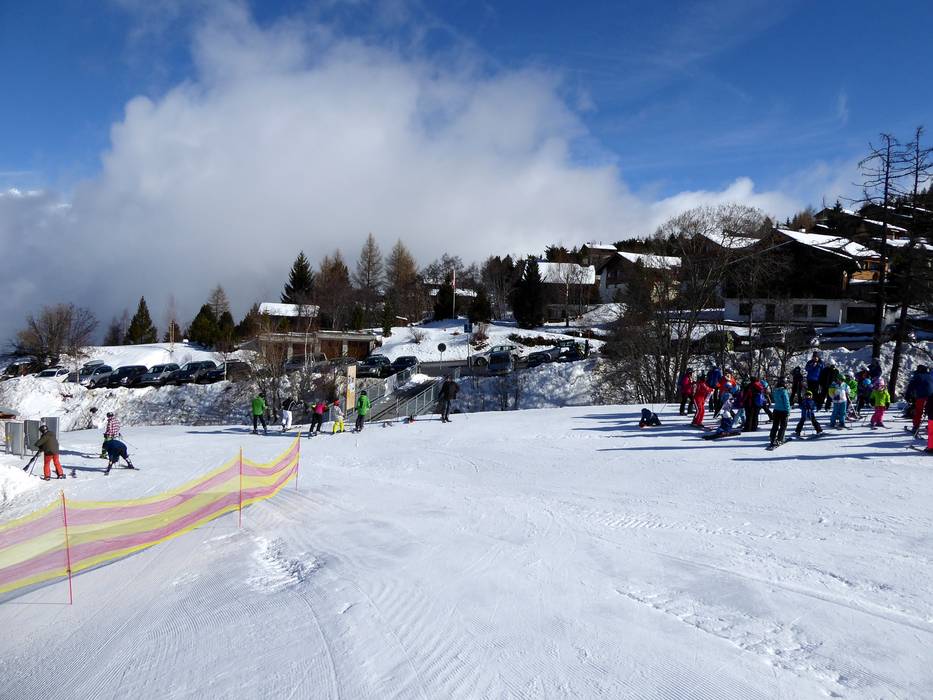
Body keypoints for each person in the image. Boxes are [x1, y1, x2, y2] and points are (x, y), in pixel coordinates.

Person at [906, 365, 933, 436]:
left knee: (918, 411)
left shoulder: (917, 376)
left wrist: (908, 395)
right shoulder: (930, 376)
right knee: (930, 412)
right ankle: (930, 426)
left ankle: (916, 427)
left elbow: (911, 386)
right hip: (931, 396)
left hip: (921, 396)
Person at [769, 380, 791, 447]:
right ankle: (780, 439)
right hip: (783, 411)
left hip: (776, 410)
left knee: (775, 425)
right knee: (783, 426)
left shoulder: (775, 391)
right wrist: (788, 411)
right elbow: (786, 402)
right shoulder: (784, 391)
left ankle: (772, 438)